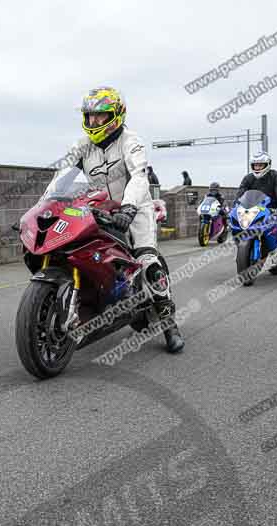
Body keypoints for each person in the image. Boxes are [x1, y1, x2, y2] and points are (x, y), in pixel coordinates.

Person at [67, 86, 184, 353]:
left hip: (136, 209)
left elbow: (139, 176)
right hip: (101, 207)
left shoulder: (131, 141)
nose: (94, 122)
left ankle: (169, 324)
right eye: (90, 116)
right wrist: (44, 205)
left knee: (147, 261)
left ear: (116, 115)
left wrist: (129, 208)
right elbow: (62, 175)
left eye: (100, 116)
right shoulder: (83, 146)